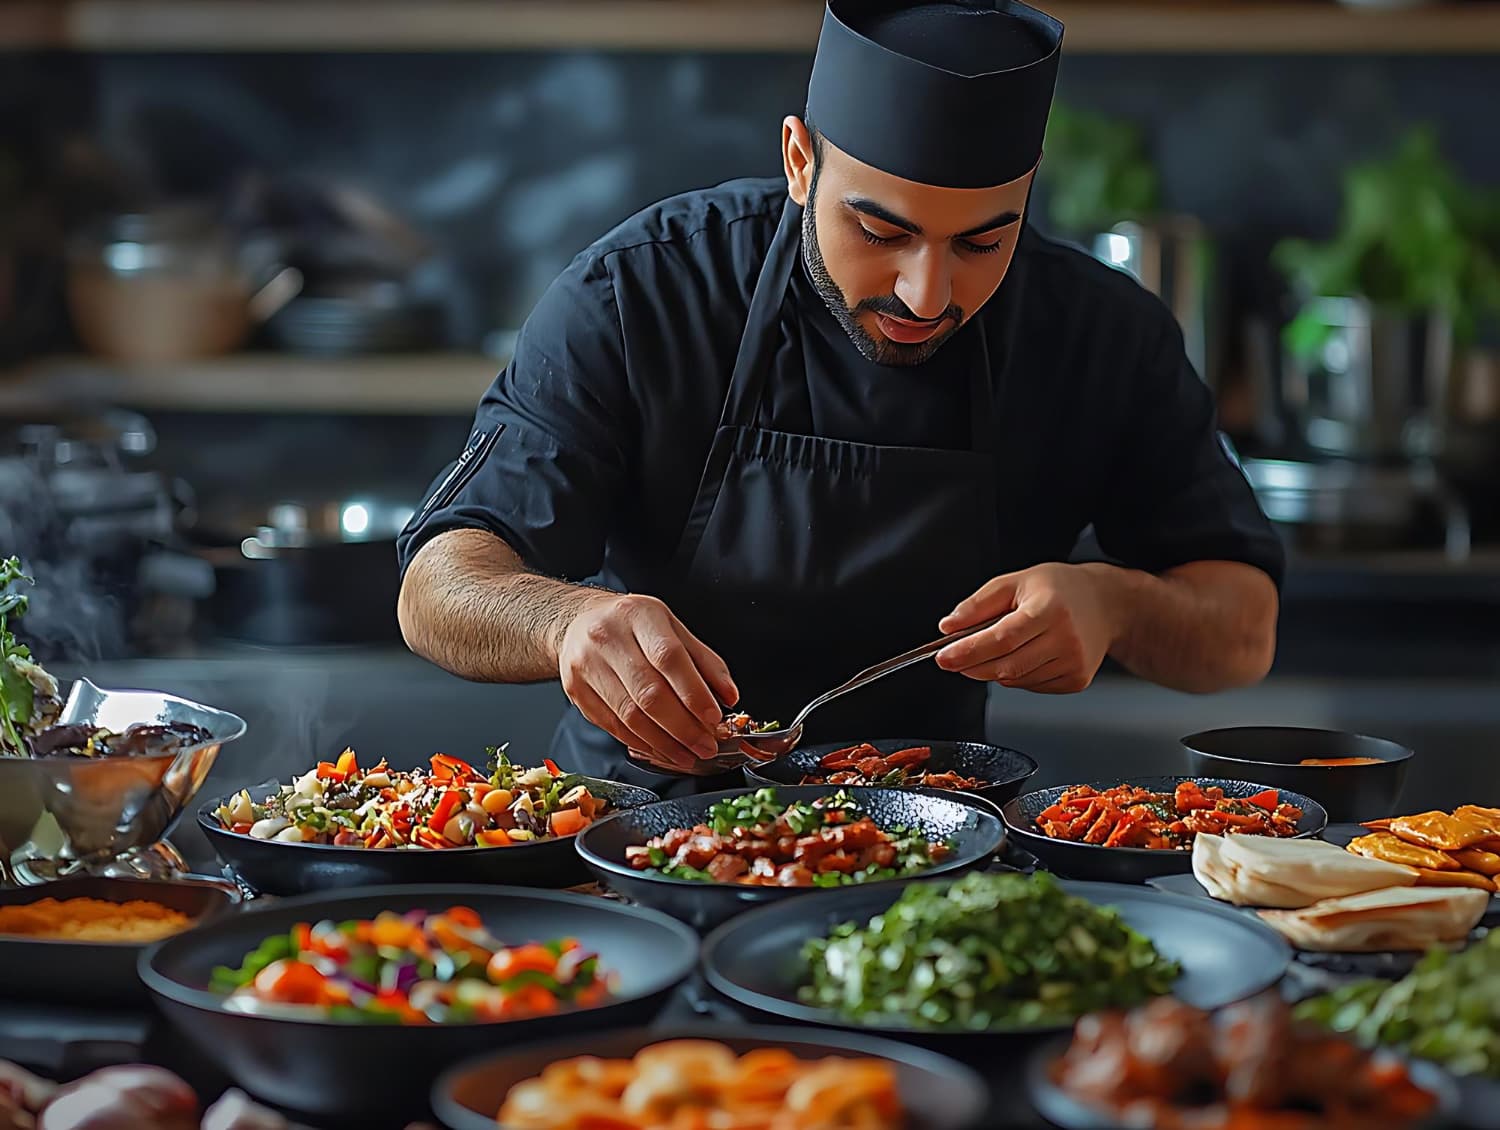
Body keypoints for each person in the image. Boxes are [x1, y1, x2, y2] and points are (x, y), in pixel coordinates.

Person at [396, 0, 1284, 793]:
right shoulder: (644, 293)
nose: (925, 294)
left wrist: (1116, 605)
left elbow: (1244, 630)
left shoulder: (1098, 335)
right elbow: (436, 587)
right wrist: (567, 623)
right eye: (880, 231)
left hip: (938, 840)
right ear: (797, 160)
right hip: (635, 829)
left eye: (982, 243)